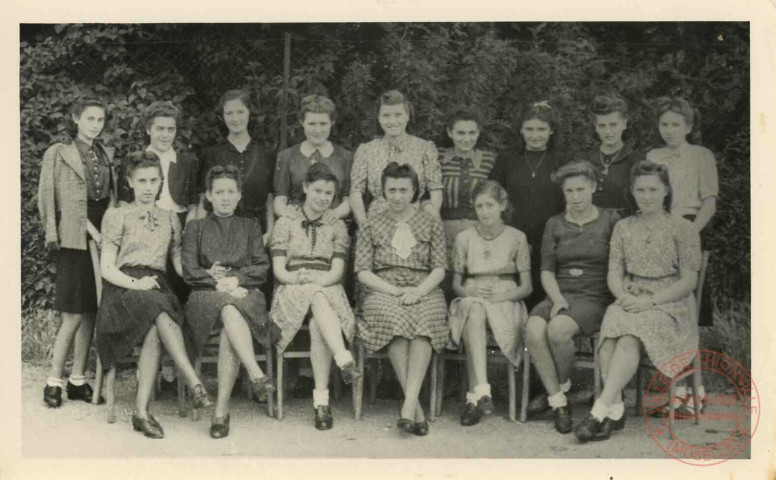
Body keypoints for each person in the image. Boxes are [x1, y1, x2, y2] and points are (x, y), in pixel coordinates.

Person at [575, 160, 701, 442]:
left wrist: (651, 301)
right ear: (632, 192)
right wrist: (623, 297)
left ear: (666, 191)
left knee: (629, 338)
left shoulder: (682, 228)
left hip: (670, 304)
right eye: (640, 190)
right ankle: (615, 410)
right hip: (631, 297)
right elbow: (614, 273)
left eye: (653, 189)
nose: (647, 196)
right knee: (609, 340)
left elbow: (688, 281)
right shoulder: (623, 227)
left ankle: (599, 411)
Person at [96, 152, 213, 439]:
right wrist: (136, 284)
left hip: (156, 287)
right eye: (142, 181)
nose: (148, 187)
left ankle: (140, 413)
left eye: (153, 180)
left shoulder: (170, 218)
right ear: (130, 182)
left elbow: (177, 263)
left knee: (154, 326)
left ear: (161, 181)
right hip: (122, 290)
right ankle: (193, 379)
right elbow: (107, 268)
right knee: (157, 307)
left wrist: (206, 276)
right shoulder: (117, 216)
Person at [182, 165, 277, 439]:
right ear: (209, 196)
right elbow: (189, 270)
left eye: (231, 192)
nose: (225, 197)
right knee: (226, 305)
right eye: (219, 192)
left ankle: (221, 410)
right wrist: (215, 281)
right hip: (205, 296)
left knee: (229, 325)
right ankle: (256, 372)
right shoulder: (196, 227)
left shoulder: (250, 226)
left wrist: (236, 280)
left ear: (239, 195)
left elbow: (261, 267)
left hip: (244, 293)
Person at [524, 161, 620, 434]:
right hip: (559, 293)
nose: (575, 196)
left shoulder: (610, 220)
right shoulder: (554, 223)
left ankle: (561, 386)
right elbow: (546, 270)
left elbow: (619, 264)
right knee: (533, 328)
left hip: (594, 294)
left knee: (558, 330)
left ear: (592, 187)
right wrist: (556, 300)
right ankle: (558, 402)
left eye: (580, 189)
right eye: (569, 191)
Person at [354, 162, 448, 437]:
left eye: (403, 190)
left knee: (424, 321)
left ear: (415, 191)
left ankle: (408, 404)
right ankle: (414, 407)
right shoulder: (370, 224)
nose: (397, 196)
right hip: (383, 287)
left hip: (424, 286)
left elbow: (440, 268)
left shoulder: (431, 223)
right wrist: (394, 292)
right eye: (391, 190)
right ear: (382, 192)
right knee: (394, 321)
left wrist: (419, 292)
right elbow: (362, 272)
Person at [38, 97, 117, 408]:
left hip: (101, 235)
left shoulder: (105, 153)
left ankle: (78, 381)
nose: (95, 125)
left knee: (90, 313)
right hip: (74, 237)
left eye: (100, 119)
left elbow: (111, 197)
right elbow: (50, 199)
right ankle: (53, 381)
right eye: (90, 119)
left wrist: (107, 229)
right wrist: (59, 234)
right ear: (75, 119)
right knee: (72, 313)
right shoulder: (58, 153)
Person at [270, 163, 361, 431]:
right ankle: (343, 359)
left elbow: (337, 271)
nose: (323, 198)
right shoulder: (285, 222)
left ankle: (322, 403)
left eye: (329, 193)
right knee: (318, 301)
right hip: (291, 286)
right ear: (305, 188)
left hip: (327, 285)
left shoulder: (337, 226)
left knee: (318, 323)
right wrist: (298, 279)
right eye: (318, 190)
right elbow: (278, 270)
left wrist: (317, 282)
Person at [645, 96, 718, 417]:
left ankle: (692, 393)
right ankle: (675, 390)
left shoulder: (702, 156)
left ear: (688, 126)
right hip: (658, 230)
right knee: (662, 307)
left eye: (676, 124)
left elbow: (709, 203)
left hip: (690, 228)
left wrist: (688, 235)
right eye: (664, 124)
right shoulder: (653, 155)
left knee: (685, 308)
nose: (670, 130)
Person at [447, 180, 532, 426]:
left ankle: (475, 397)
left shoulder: (517, 237)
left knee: (476, 308)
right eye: (479, 206)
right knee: (474, 308)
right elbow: (456, 285)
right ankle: (483, 389)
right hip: (474, 296)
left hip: (505, 299)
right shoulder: (464, 238)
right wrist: (470, 288)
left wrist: (501, 296)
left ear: (502, 205)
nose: (484, 211)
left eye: (490, 205)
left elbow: (526, 287)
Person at [488, 101, 567, 308]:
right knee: (513, 297)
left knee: (542, 298)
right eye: (529, 129)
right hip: (512, 240)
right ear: (521, 130)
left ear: (551, 131)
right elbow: (493, 197)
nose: (535, 135)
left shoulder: (561, 160)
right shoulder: (507, 160)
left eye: (541, 129)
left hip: (550, 241)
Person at [350, 90, 443, 225]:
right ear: (379, 118)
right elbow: (355, 192)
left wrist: (427, 223)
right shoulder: (366, 150)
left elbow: (436, 190)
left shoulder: (425, 148)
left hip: (416, 220)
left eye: (398, 115)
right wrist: (364, 226)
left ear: (407, 116)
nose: (392, 121)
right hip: (378, 222)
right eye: (386, 115)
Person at [199, 89, 275, 244]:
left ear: (249, 113)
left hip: (257, 232)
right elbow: (203, 199)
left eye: (240, 112)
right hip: (219, 231)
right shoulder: (211, 154)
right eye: (229, 113)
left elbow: (269, 197)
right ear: (222, 116)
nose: (235, 118)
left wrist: (270, 232)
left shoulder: (264, 154)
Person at [438, 107, 498, 295]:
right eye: (460, 133)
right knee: (445, 282)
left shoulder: (489, 159)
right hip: (444, 232)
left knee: (474, 285)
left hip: (480, 232)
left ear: (479, 132)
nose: (466, 138)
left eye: (472, 133)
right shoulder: (437, 157)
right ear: (450, 132)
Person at [274, 94, 353, 223]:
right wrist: (285, 212)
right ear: (301, 122)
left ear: (332, 123)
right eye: (311, 124)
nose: (318, 130)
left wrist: (337, 213)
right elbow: (280, 197)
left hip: (331, 223)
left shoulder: (345, 157)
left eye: (323, 124)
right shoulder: (287, 156)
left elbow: (348, 198)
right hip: (297, 222)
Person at [577, 94, 641, 216]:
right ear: (596, 127)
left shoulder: (636, 161)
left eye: (613, 125)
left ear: (624, 124)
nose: (608, 132)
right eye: (602, 126)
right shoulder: (585, 159)